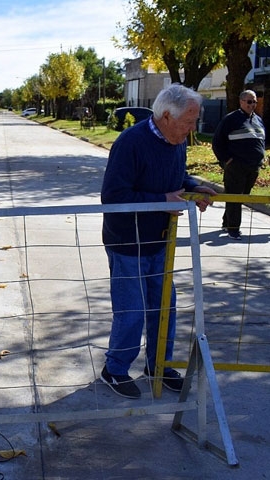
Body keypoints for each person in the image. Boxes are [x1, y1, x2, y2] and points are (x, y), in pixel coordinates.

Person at [100, 84, 215, 399]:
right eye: (188, 121)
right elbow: (113, 197)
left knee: (165, 308)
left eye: (194, 121)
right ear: (166, 116)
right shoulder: (131, 143)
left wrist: (194, 187)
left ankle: (158, 366)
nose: (193, 129)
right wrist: (163, 200)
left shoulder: (175, 140)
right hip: (128, 242)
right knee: (132, 310)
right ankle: (115, 369)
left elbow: (175, 178)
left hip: (160, 240)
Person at [212, 89, 267, 240]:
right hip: (236, 166)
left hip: (253, 166)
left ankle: (227, 222)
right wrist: (227, 160)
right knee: (234, 196)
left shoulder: (258, 119)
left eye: (254, 102)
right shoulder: (231, 119)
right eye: (249, 102)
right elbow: (217, 142)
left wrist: (262, 156)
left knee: (241, 197)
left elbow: (261, 141)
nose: (252, 105)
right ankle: (233, 229)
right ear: (241, 102)